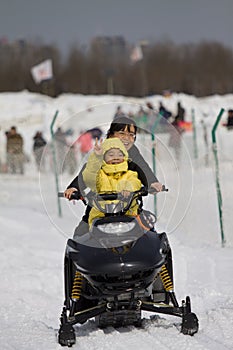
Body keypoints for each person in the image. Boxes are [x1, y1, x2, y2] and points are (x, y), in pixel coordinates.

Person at [64, 116, 163, 238]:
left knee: (151, 236)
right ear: (110, 135)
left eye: (131, 134)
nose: (127, 138)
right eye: (122, 133)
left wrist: (152, 182)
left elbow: (143, 169)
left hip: (129, 207)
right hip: (99, 208)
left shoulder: (133, 153)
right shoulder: (102, 152)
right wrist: (75, 188)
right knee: (80, 237)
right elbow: (88, 173)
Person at [82, 138, 142, 228]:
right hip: (101, 216)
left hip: (128, 214)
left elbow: (135, 182)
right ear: (103, 157)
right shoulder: (100, 175)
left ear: (125, 156)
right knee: (86, 236)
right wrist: (96, 157)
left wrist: (128, 189)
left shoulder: (130, 174)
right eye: (111, 154)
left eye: (120, 154)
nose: (116, 157)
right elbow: (89, 178)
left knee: (146, 235)